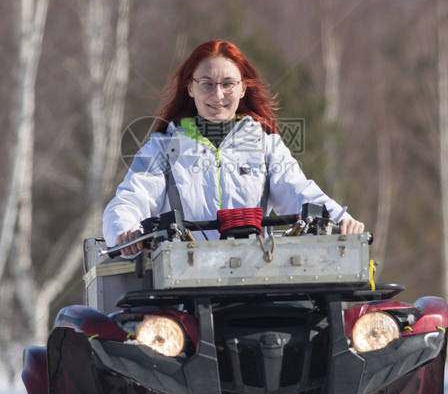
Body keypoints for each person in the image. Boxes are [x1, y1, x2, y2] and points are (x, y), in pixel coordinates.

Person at [102, 40, 365, 255]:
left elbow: (297, 191)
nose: (218, 95)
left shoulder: (265, 144)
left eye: (228, 84)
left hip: (255, 276)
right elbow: (130, 199)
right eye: (207, 84)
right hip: (183, 285)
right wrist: (126, 230)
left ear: (242, 89)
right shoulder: (162, 148)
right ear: (190, 89)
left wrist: (338, 218)